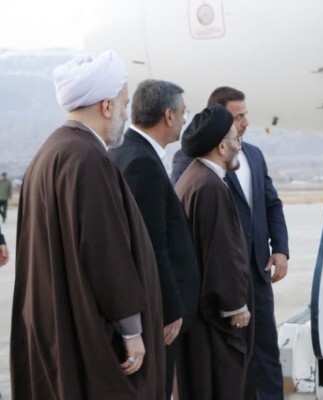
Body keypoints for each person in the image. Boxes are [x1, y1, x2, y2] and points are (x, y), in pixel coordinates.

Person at [10, 51, 165, 399]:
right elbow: (105, 251)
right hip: (91, 332)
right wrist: (131, 330)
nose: (126, 114)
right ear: (107, 106)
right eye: (124, 105)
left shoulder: (50, 153)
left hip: (59, 319)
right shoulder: (87, 158)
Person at [172, 87, 289, 399]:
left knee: (264, 353)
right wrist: (233, 302)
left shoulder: (253, 156)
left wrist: (279, 248)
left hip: (256, 272)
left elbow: (271, 204)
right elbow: (204, 233)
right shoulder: (199, 172)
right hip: (221, 286)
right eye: (238, 118)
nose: (245, 124)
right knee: (227, 365)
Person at [109, 79, 201, 399]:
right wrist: (170, 308)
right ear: (168, 115)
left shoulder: (126, 150)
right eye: (183, 112)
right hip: (157, 311)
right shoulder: (142, 162)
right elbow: (151, 243)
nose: (185, 119)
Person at [175, 104, 253, 399]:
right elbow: (221, 251)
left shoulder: (194, 177)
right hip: (211, 320)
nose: (238, 146)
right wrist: (235, 305)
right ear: (222, 146)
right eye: (235, 140)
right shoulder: (210, 187)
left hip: (196, 313)